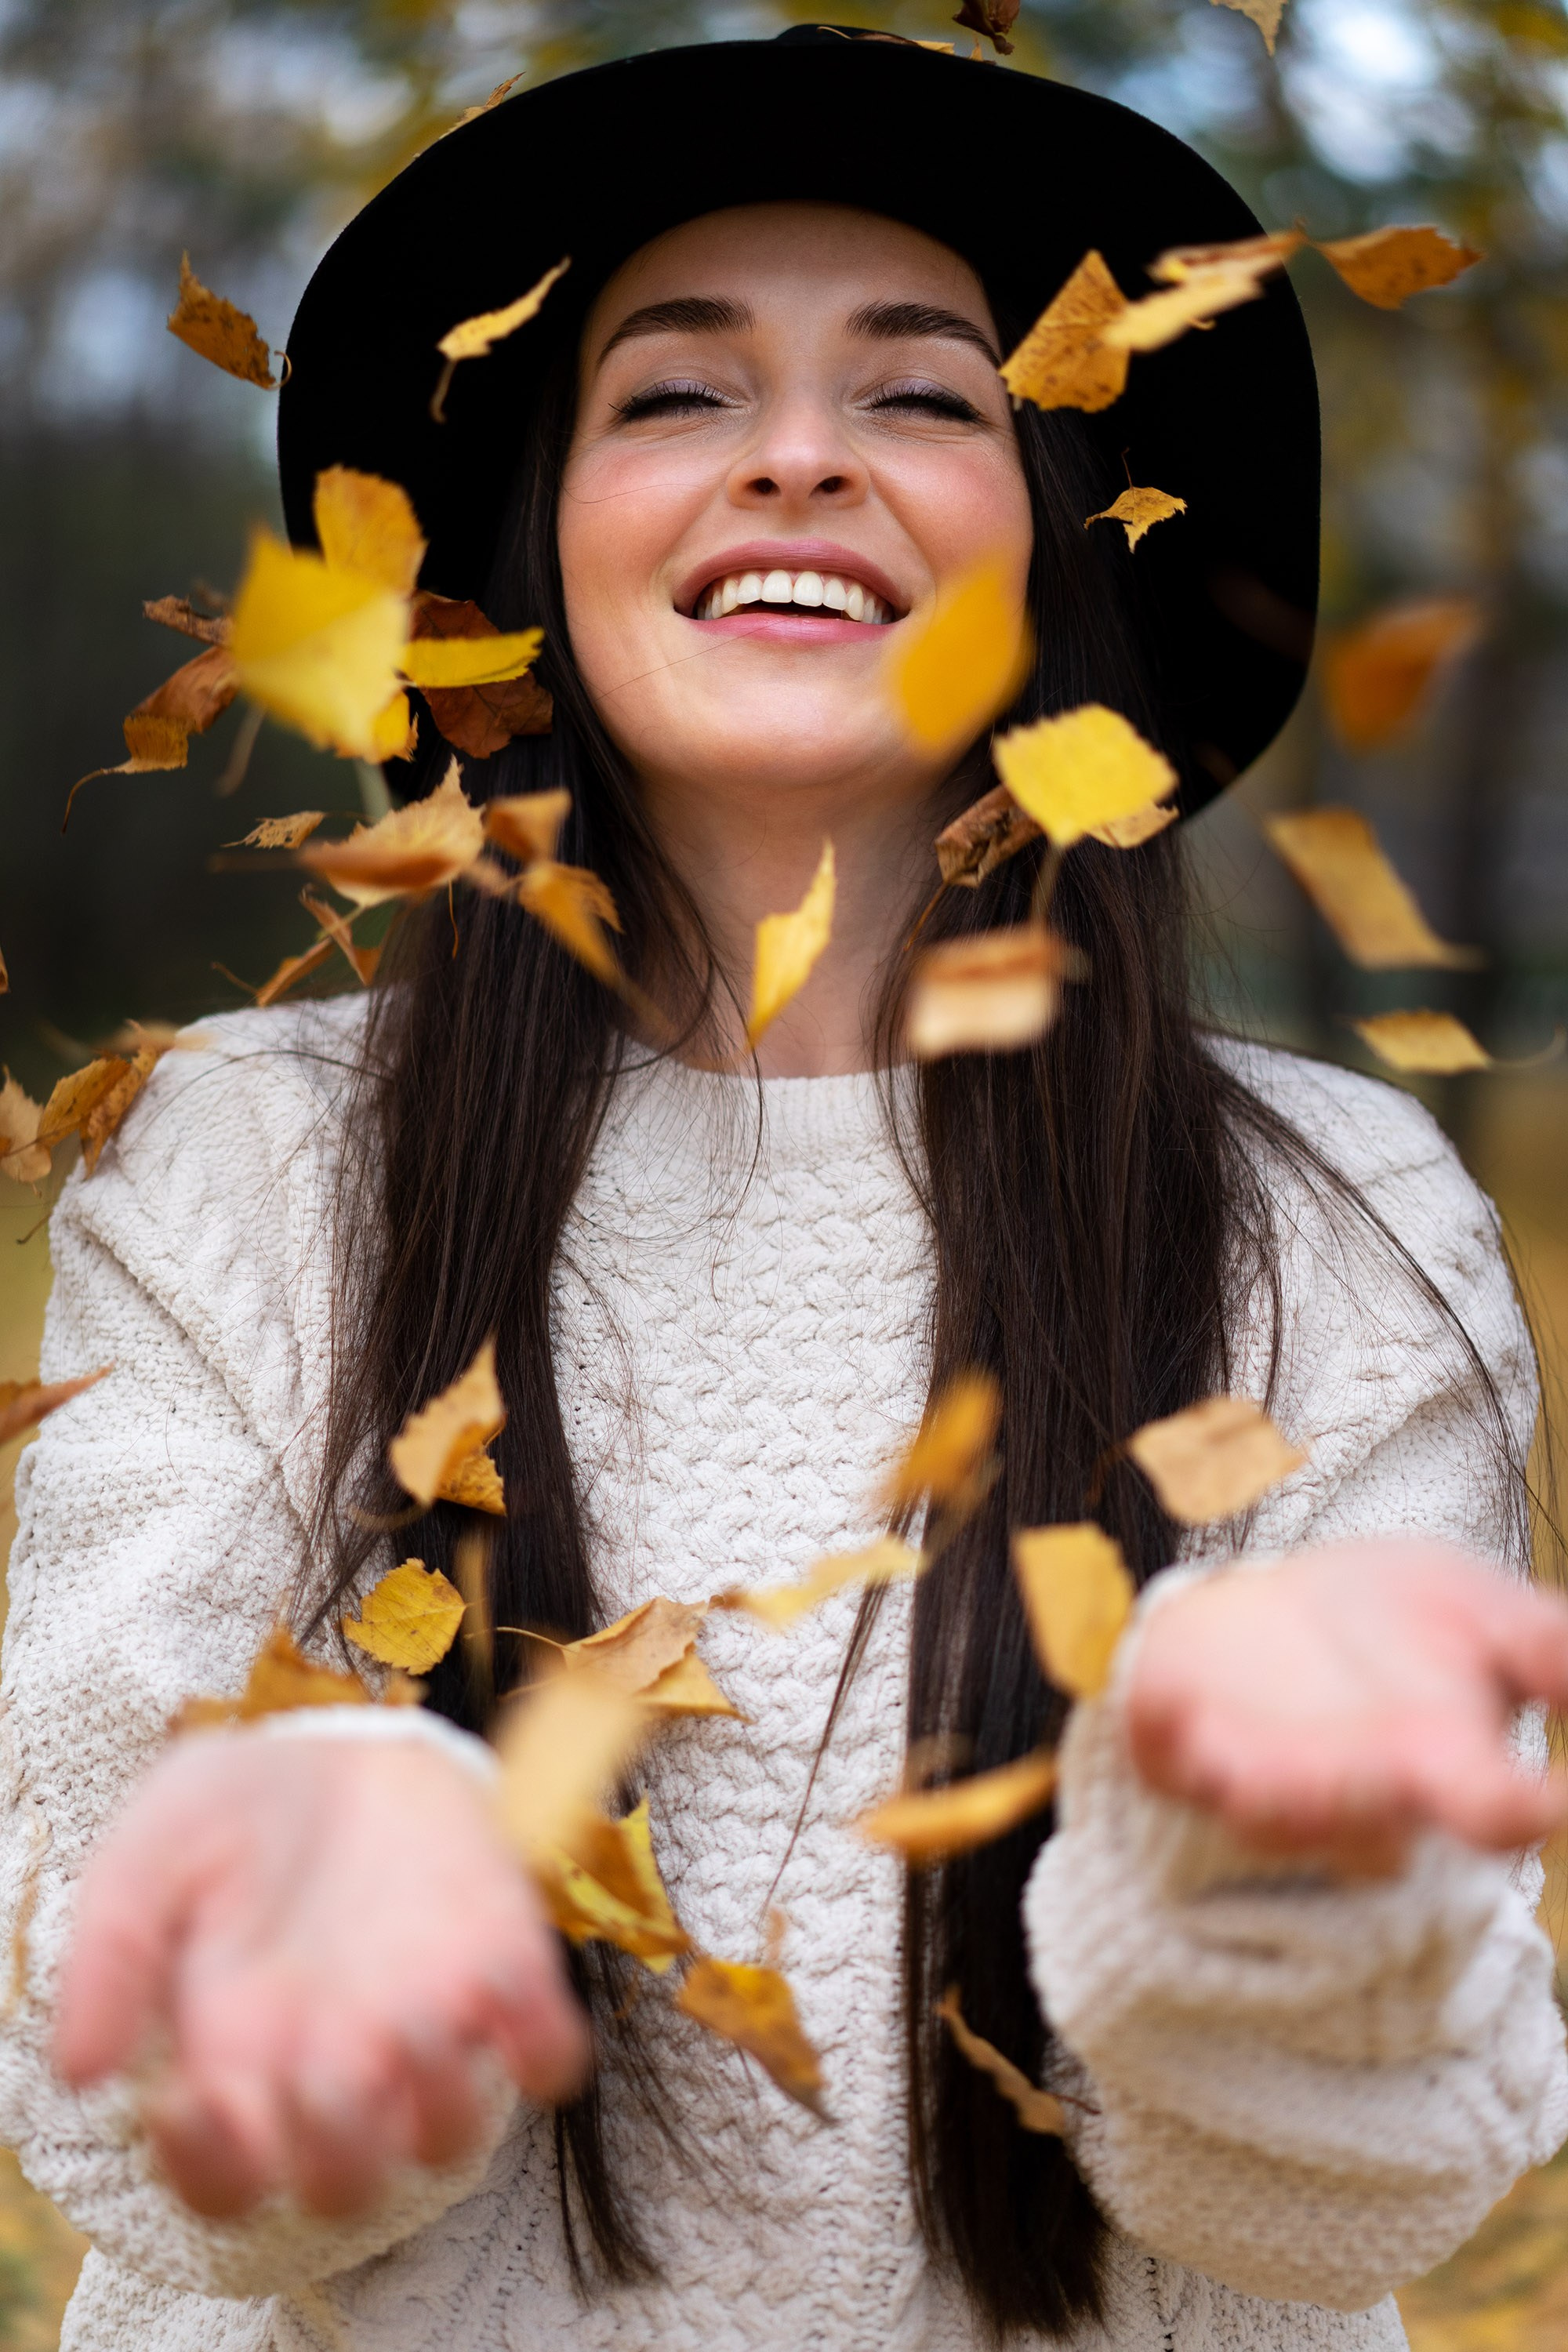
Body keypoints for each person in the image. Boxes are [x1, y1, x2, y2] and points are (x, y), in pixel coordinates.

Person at [4, 27, 1566, 2352]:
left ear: (1054, 537)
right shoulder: (238, 1170)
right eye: (673, 396)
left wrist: (1276, 1877)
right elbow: (151, 2142)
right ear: (526, 543)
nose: (805, 457)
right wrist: (296, 1938)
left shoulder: (1330, 1210)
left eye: (931, 397)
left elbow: (1348, 2218)